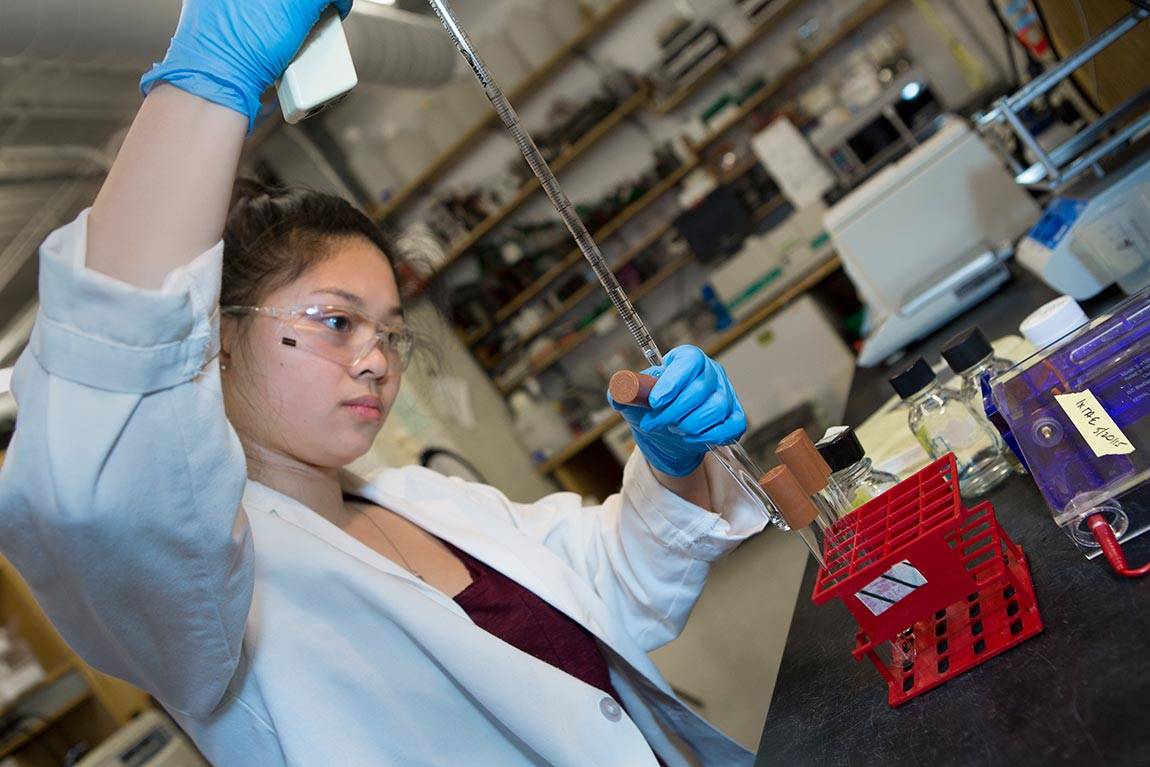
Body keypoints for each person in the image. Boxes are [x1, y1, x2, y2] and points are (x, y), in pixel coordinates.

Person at [0, 2, 767, 765]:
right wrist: (211, 75)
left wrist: (671, 472)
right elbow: (94, 479)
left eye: (390, 330)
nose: (377, 358)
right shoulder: (200, 597)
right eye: (337, 321)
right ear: (220, 339)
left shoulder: (417, 498)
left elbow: (611, 582)